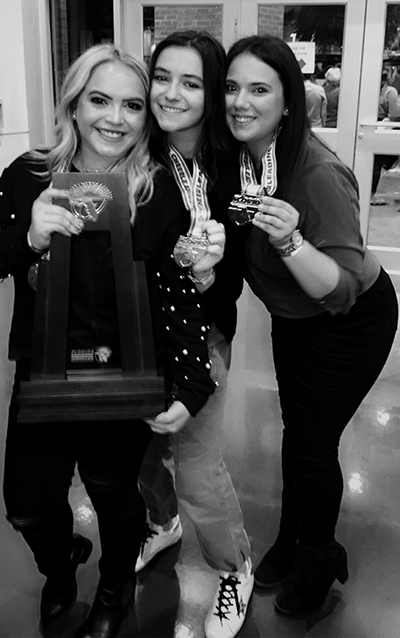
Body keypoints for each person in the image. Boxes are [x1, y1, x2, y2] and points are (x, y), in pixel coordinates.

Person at [0, 43, 218, 638]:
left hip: (126, 374)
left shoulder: (157, 193)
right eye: (100, 100)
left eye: (132, 105)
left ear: (148, 117)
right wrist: (30, 239)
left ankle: (117, 586)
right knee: (27, 502)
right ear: (74, 104)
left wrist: (193, 383)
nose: (115, 119)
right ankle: (61, 560)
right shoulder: (28, 175)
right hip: (44, 371)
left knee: (113, 493)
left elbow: (178, 299)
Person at [224, 35, 398, 618]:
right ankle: (293, 542)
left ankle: (321, 559)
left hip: (350, 320)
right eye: (231, 88)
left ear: (289, 101)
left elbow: (343, 290)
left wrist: (289, 239)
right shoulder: (239, 157)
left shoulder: (316, 175)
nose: (240, 102)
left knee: (310, 444)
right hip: (293, 319)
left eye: (259, 89)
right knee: (295, 432)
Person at [136, 30, 253, 638]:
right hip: (134, 337)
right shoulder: (134, 148)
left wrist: (207, 270)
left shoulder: (233, 168)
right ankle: (161, 524)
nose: (171, 94)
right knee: (143, 454)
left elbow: (236, 283)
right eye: (162, 78)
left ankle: (234, 566)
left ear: (212, 94)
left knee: (199, 471)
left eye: (191, 82)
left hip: (199, 338)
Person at [371, 70, 400, 205]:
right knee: (379, 164)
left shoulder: (369, 89)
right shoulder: (390, 92)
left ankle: (367, 193)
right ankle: (372, 196)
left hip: (370, 126)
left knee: (372, 163)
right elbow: (394, 114)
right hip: (384, 127)